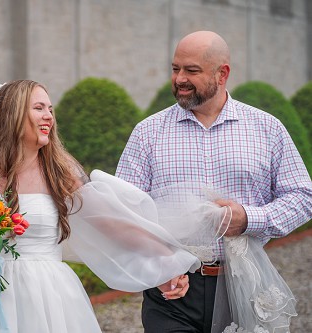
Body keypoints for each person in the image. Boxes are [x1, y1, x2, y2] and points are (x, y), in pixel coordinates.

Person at [0, 80, 231, 333]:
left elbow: (114, 225)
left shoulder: (61, 172)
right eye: (39, 107)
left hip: (52, 299)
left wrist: (169, 262)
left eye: (51, 109)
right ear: (12, 114)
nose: (49, 116)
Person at [116, 30, 312, 332]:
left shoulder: (267, 128)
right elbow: (123, 212)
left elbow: (302, 196)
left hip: (245, 285)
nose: (180, 78)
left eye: (191, 70)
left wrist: (248, 218)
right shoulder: (147, 133)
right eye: (175, 68)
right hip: (171, 292)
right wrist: (158, 265)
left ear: (223, 74)